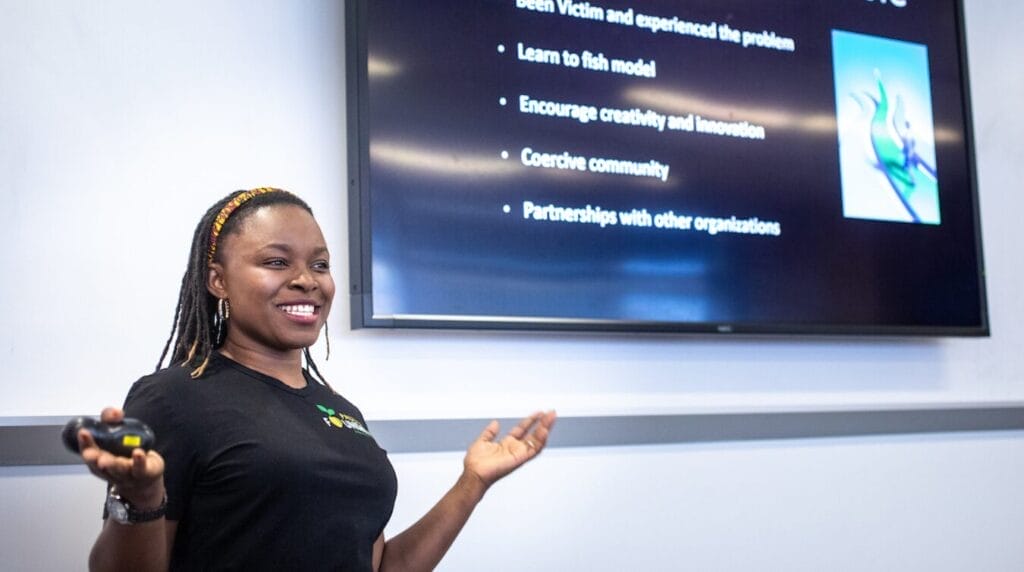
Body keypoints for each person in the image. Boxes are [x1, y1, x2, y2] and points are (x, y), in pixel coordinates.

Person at [77, 188, 556, 571]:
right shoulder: (174, 397)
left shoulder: (342, 412)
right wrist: (140, 499)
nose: (307, 280)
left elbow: (382, 567)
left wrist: (471, 484)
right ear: (218, 281)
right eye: (277, 262)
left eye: (320, 265)